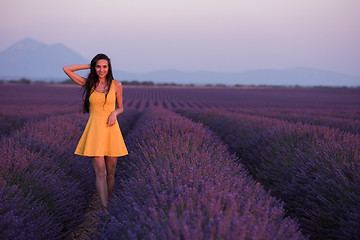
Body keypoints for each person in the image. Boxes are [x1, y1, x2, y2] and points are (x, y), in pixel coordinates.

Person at [63, 53, 128, 211]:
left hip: (111, 131)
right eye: (98, 66)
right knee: (101, 172)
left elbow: (121, 107)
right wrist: (89, 66)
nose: (101, 69)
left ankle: (110, 205)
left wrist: (114, 113)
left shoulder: (117, 85)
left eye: (104, 66)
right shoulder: (88, 84)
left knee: (111, 172)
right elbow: (66, 69)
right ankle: (104, 208)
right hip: (95, 131)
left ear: (109, 68)